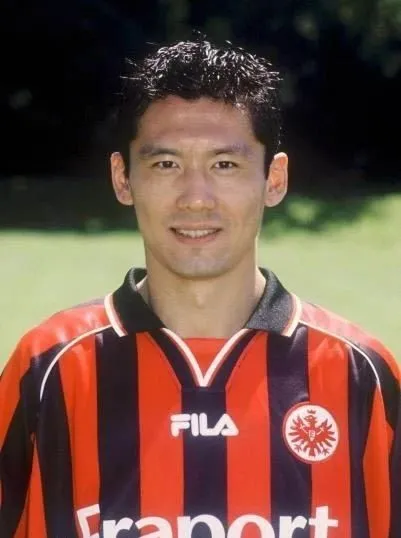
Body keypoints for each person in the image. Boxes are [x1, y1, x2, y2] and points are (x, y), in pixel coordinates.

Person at [0, 38, 399, 538]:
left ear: (274, 179)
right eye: (166, 164)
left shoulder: (360, 373)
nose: (195, 198)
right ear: (123, 179)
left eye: (224, 164)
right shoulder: (50, 368)